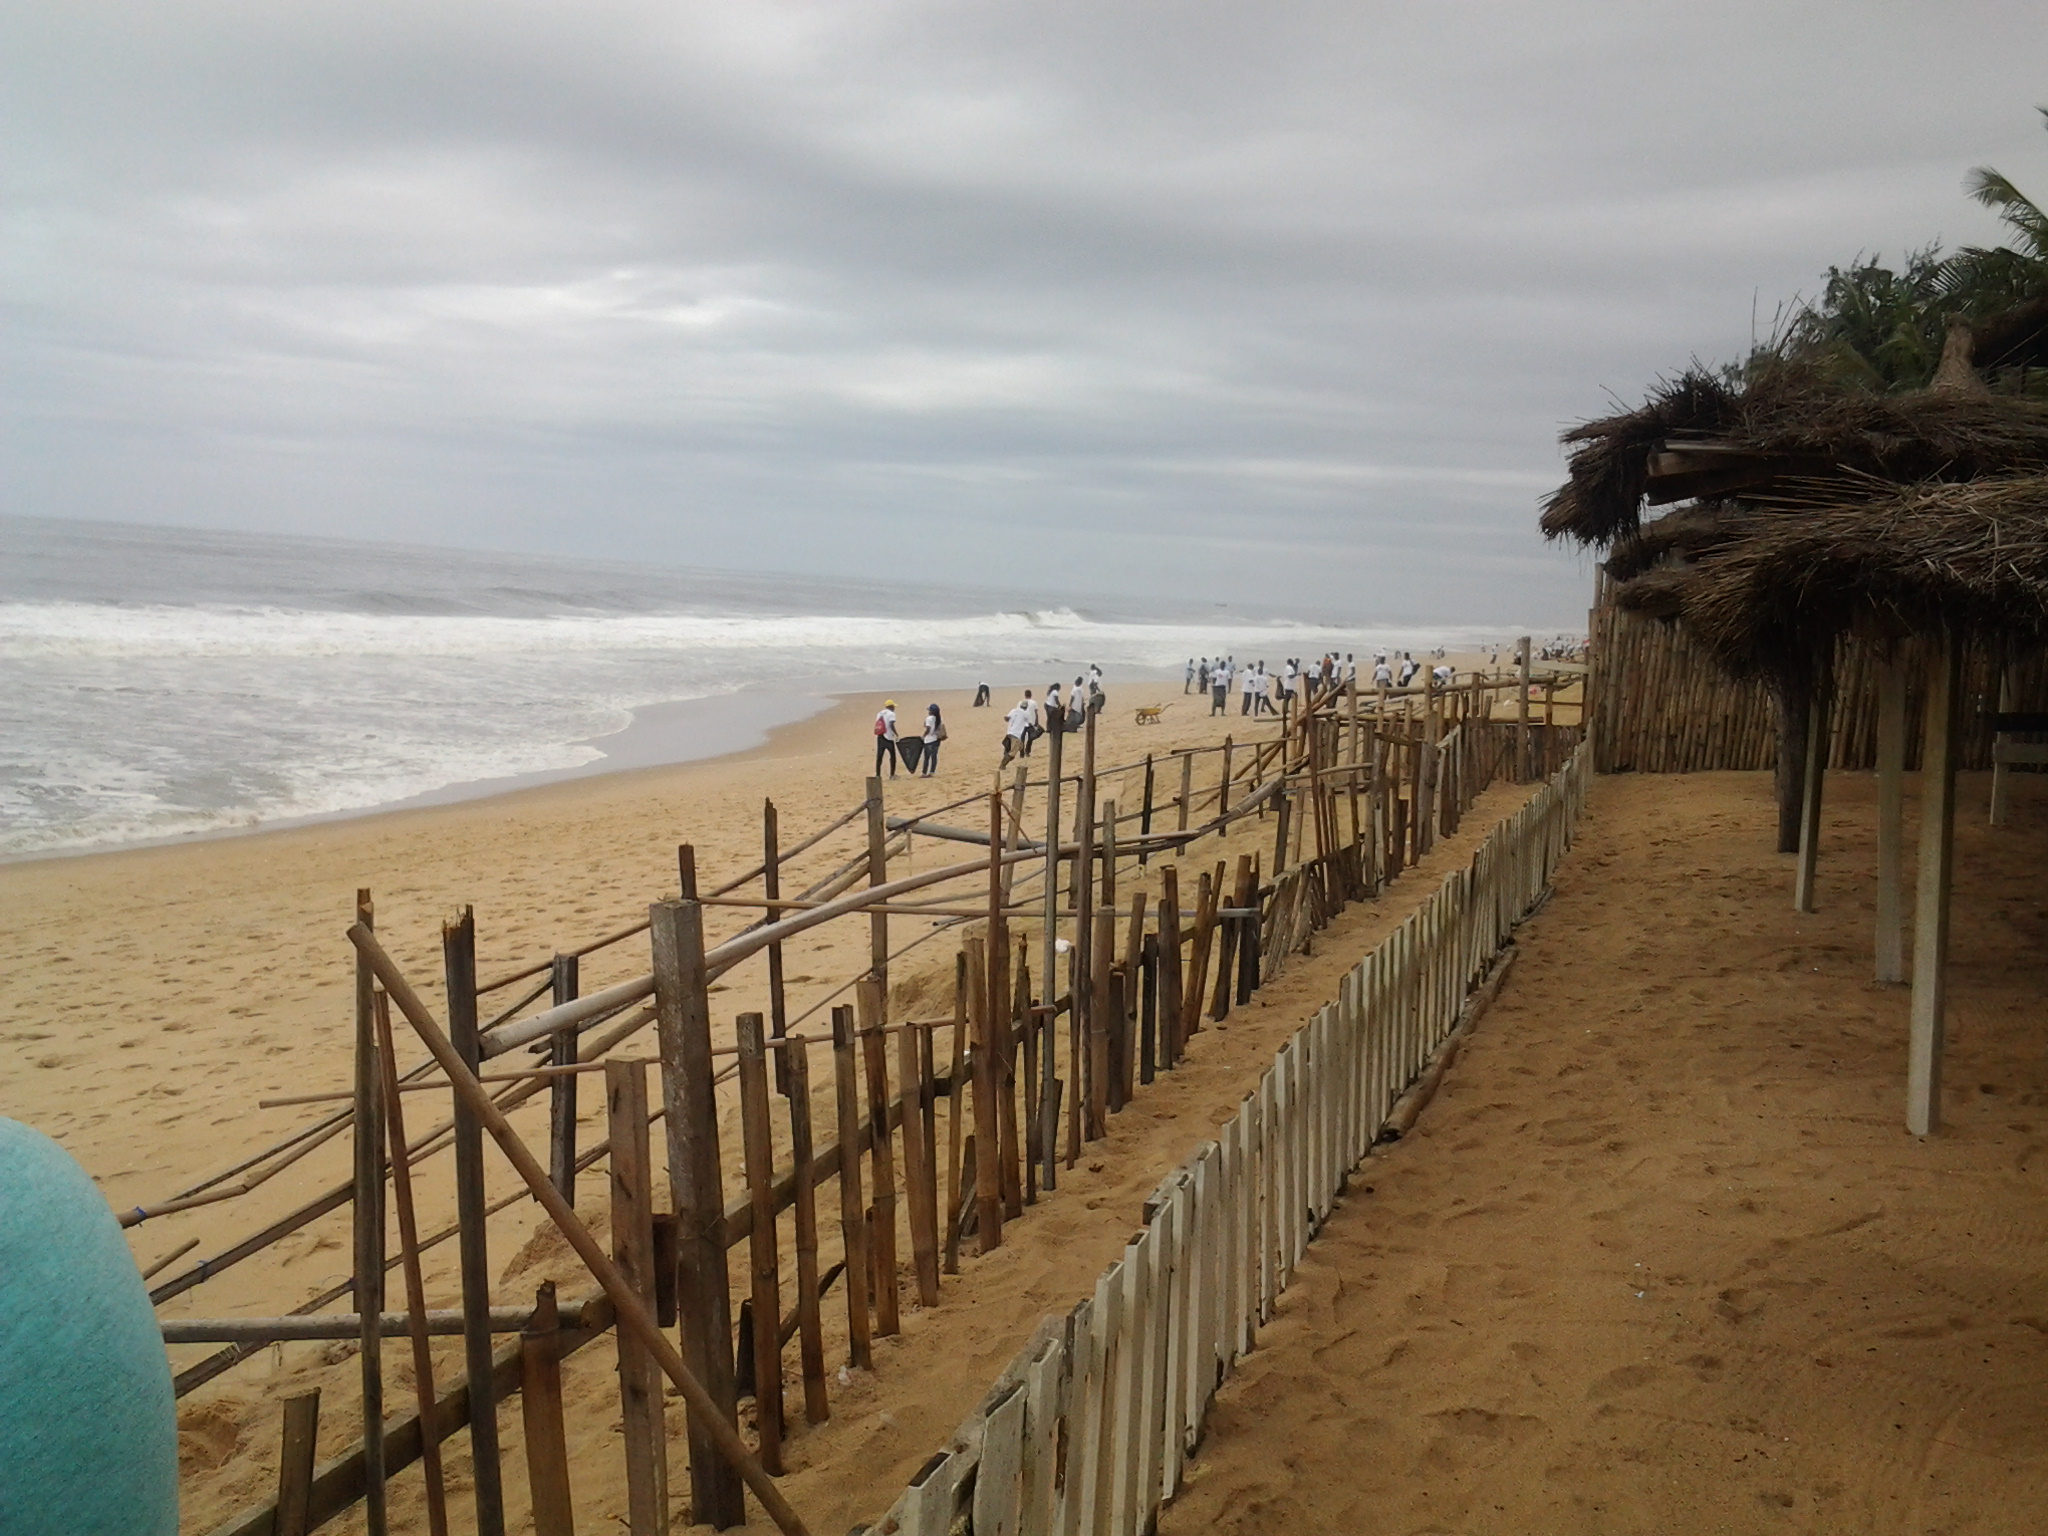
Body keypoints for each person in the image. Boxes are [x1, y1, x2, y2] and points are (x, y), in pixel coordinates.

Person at [1001, 690, 1038, 767]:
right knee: (1012, 753)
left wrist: (1007, 718)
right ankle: (1002, 765)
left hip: (1009, 733)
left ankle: (1006, 757)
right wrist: (1035, 727)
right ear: (1026, 707)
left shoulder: (1013, 710)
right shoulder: (1026, 713)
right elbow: (1030, 723)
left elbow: (1007, 718)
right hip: (1016, 735)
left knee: (1018, 746)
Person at [873, 699, 900, 777]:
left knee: (879, 757)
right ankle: (892, 774)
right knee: (892, 756)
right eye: (893, 706)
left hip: (880, 736)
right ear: (891, 706)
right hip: (888, 737)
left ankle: (878, 775)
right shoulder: (891, 714)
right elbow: (891, 724)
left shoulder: (879, 713)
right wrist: (896, 733)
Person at [920, 704, 945, 776]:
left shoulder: (929, 718)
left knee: (926, 757)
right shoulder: (939, 718)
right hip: (936, 739)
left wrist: (923, 736)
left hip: (929, 740)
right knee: (934, 756)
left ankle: (924, 772)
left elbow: (928, 729)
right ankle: (932, 771)